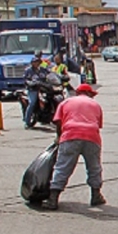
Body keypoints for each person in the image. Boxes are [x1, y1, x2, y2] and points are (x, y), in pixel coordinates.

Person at [44, 82, 105, 210]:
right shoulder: (95, 105)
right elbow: (97, 124)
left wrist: (59, 137)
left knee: (62, 166)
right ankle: (96, 195)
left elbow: (58, 122)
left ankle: (53, 198)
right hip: (91, 137)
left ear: (77, 93)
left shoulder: (66, 103)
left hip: (70, 135)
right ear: (89, 94)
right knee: (94, 167)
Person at [22, 54, 48, 128]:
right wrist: (31, 83)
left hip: (43, 89)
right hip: (33, 89)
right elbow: (25, 80)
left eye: (37, 62)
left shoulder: (43, 70)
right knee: (32, 103)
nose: (36, 63)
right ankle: (27, 122)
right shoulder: (28, 70)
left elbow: (50, 75)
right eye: (35, 62)